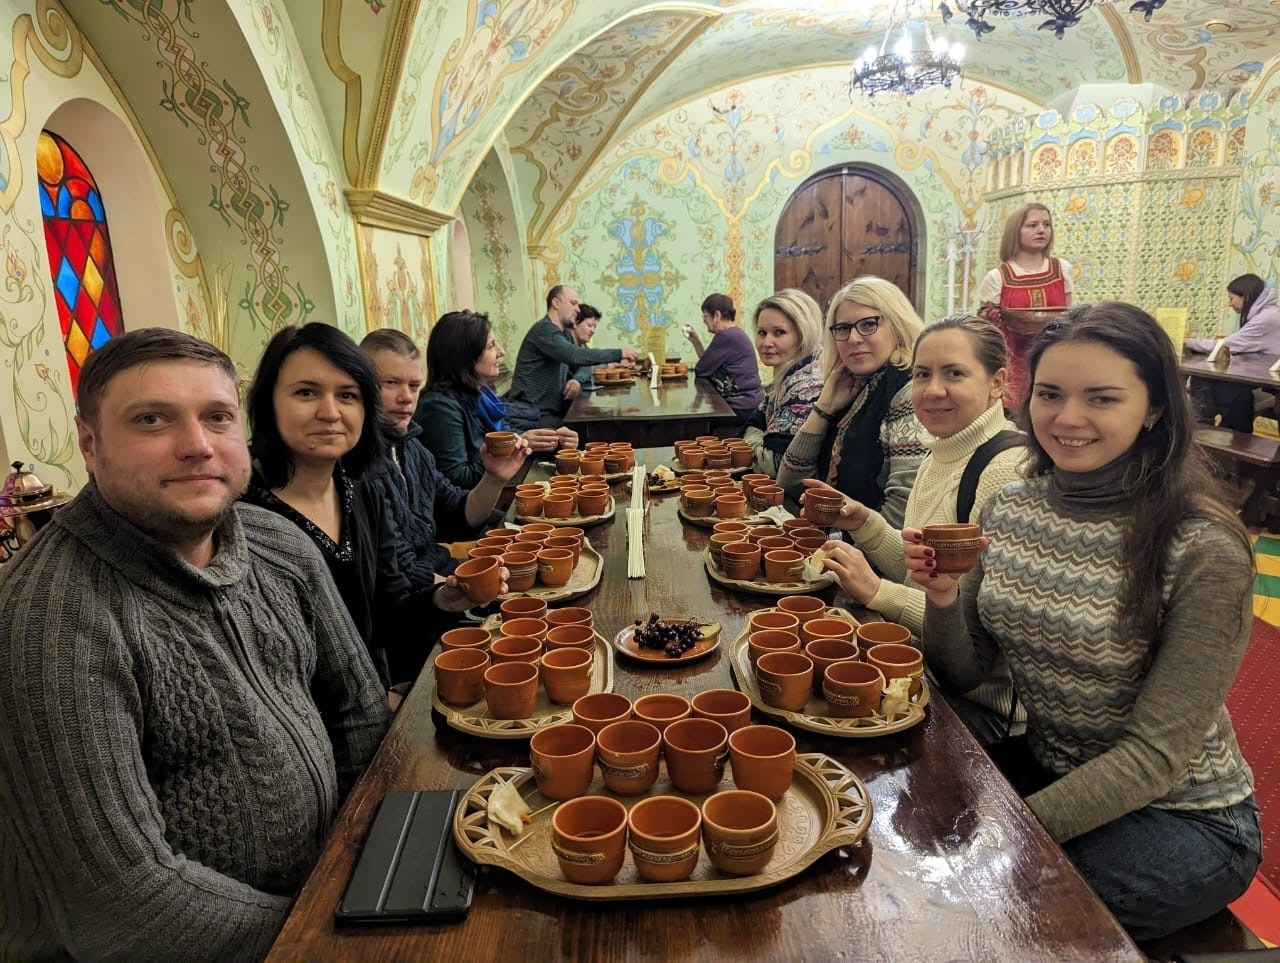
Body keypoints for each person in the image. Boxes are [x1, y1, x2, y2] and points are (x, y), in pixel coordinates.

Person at [0, 328, 391, 960]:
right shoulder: (48, 620)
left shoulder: (278, 544)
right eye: (152, 420)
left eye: (217, 417)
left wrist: (367, 865)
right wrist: (332, 933)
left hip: (325, 896)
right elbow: (122, 905)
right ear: (90, 445)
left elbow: (360, 713)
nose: (197, 445)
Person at [905, 302, 1261, 942]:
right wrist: (943, 597)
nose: (1067, 419)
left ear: (1154, 408)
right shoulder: (1011, 506)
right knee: (903, 824)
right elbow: (965, 671)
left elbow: (1153, 758)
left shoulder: (1202, 545)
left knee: (980, 913)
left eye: (1101, 398)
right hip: (1052, 769)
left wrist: (1008, 836)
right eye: (1050, 394)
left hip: (1186, 818)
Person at [244, 322, 520, 689]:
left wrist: (444, 599)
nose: (330, 412)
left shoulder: (361, 487)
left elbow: (391, 608)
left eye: (347, 395)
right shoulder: (246, 515)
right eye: (306, 392)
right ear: (268, 401)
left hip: (379, 681)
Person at [816, 315, 1026, 742]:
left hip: (979, 714)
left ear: (997, 383)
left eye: (954, 374)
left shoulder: (1006, 472)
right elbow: (925, 571)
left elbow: (971, 636)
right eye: (922, 375)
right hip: (922, 671)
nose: (932, 391)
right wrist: (865, 523)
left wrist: (878, 592)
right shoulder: (941, 452)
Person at [358, 328, 530, 680]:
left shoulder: (412, 448)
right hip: (414, 619)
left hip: (444, 584)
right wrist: (466, 587)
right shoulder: (361, 469)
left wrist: (494, 477)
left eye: (413, 385)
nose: (406, 398)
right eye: (390, 384)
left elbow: (462, 514)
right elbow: (403, 575)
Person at [776, 276, 927, 530]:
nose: (854, 338)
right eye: (843, 328)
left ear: (898, 326)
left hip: (873, 551)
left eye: (868, 324)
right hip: (839, 539)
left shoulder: (909, 394)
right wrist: (823, 408)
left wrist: (836, 543)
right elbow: (790, 483)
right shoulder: (853, 386)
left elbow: (902, 516)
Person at [416, 311, 576, 490]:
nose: (501, 352)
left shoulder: (480, 395)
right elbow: (457, 479)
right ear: (467, 355)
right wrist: (511, 449)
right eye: (492, 345)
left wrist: (556, 441)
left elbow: (509, 435)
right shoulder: (439, 408)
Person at [977, 202, 1073, 411]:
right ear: (1016, 231)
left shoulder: (1062, 269)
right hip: (1014, 359)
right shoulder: (998, 277)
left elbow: (1069, 316)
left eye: (1046, 224)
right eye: (1032, 225)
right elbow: (986, 332)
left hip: (1054, 354)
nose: (1041, 230)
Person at [507, 285, 639, 424]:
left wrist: (578, 379)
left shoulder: (562, 333)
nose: (578, 309)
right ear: (556, 303)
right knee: (592, 426)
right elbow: (574, 355)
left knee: (596, 421)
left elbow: (583, 361)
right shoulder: (545, 330)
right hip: (532, 414)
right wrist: (619, 353)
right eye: (573, 303)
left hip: (544, 412)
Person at [741, 288, 824, 476]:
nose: (766, 342)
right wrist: (757, 436)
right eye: (762, 332)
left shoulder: (809, 383)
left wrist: (750, 442)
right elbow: (755, 420)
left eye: (779, 332)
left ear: (803, 335)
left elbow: (771, 464)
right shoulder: (789, 375)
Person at [1186, 273, 1280, 432]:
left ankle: (1203, 428)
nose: (1229, 304)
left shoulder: (1266, 319)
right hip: (1261, 378)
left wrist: (1188, 342)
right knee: (1205, 381)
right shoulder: (1268, 314)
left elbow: (1227, 345)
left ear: (1246, 296)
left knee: (1202, 379)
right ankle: (1206, 427)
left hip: (1267, 383)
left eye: (1231, 298)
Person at [682, 293, 765, 422]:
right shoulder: (734, 333)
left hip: (742, 406)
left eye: (705, 316)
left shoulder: (726, 336)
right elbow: (708, 364)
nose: (704, 321)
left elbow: (701, 369)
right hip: (750, 403)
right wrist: (696, 341)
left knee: (694, 422)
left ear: (717, 316)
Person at [569, 302, 604, 388]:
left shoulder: (582, 345)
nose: (593, 331)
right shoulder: (564, 344)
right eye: (589, 325)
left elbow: (591, 362)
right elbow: (586, 364)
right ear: (575, 323)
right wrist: (577, 380)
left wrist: (611, 364)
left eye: (594, 327)